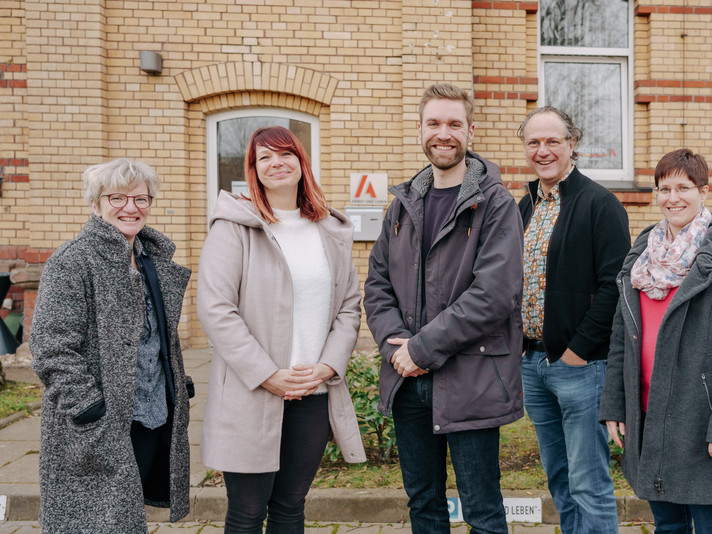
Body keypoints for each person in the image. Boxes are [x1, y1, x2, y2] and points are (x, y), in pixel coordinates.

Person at [364, 83, 524, 534]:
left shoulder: (494, 203)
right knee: (424, 506)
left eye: (454, 124)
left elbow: (495, 293)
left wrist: (421, 349)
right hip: (407, 381)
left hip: (470, 378)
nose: (444, 133)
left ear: (470, 131)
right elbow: (377, 285)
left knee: (483, 513)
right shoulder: (401, 205)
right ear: (419, 129)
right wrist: (398, 346)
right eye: (434, 123)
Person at [197, 125, 366, 533]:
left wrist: (327, 367)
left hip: (312, 394)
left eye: (285, 154)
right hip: (252, 392)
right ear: (253, 170)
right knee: (247, 513)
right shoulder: (233, 227)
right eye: (264, 157)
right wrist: (268, 375)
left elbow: (348, 306)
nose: (276, 163)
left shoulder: (328, 230)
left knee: (291, 506)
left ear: (301, 162)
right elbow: (217, 309)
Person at [600, 148, 712, 533]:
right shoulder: (640, 259)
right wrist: (614, 404)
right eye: (663, 188)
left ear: (703, 191)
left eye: (683, 187)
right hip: (649, 416)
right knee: (668, 525)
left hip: (702, 422)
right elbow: (621, 339)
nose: (672, 197)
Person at [30, 158, 193, 533]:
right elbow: (52, 348)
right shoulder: (73, 261)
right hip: (99, 420)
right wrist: (89, 411)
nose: (131, 208)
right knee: (96, 521)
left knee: (126, 518)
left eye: (141, 199)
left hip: (150, 413)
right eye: (117, 198)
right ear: (96, 203)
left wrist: (175, 387)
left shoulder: (149, 258)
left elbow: (158, 338)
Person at [516, 106, 630, 534]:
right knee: (560, 479)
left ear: (572, 144)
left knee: (589, 482)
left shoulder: (600, 204)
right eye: (533, 142)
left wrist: (577, 353)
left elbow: (615, 287)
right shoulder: (524, 206)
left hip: (580, 367)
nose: (542, 151)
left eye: (552, 141)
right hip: (533, 365)